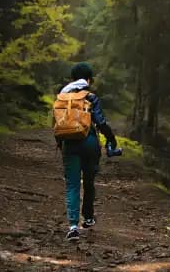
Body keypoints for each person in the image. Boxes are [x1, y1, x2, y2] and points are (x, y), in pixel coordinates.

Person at [56, 62, 118, 241]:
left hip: (70, 144)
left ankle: (73, 226)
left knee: (73, 184)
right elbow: (101, 122)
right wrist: (111, 139)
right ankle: (89, 218)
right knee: (89, 181)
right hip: (90, 143)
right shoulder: (91, 97)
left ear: (72, 79)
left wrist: (61, 144)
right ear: (88, 79)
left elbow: (57, 125)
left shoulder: (62, 97)